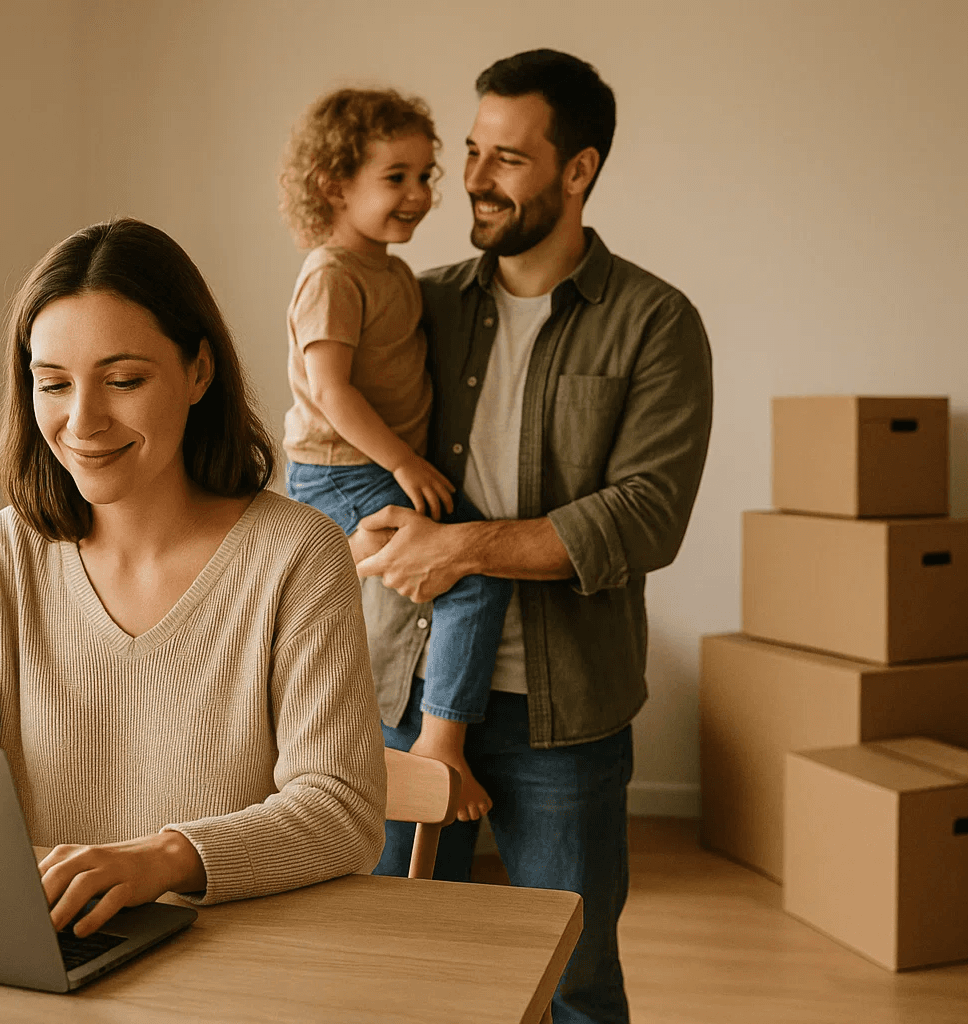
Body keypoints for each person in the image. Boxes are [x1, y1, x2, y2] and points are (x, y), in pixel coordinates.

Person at [0, 218, 386, 938]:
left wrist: (164, 859)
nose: (81, 421)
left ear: (198, 373)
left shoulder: (298, 555)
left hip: (237, 965)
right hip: (47, 952)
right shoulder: (7, 554)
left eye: (122, 380)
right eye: (52, 384)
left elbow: (342, 810)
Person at [354, 51, 714, 1024]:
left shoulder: (655, 322)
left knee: (574, 979)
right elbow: (337, 434)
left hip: (567, 714)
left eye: (506, 158)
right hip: (409, 690)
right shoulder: (417, 300)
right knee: (401, 964)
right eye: (471, 151)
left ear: (578, 170)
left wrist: (461, 548)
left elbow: (647, 513)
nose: (471, 178)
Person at [277, 87, 511, 821]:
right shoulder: (333, 275)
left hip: (372, 462)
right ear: (333, 184)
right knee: (473, 571)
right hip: (341, 468)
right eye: (395, 177)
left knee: (456, 573)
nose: (417, 195)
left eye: (424, 175)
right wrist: (406, 463)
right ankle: (439, 747)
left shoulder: (391, 272)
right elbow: (333, 392)